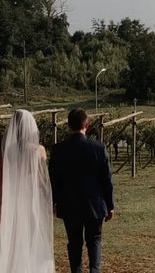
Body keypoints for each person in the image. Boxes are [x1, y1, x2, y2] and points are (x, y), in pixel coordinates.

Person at [49, 108, 115, 273]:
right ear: (87, 124)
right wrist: (110, 204)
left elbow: (54, 180)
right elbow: (106, 180)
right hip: (95, 205)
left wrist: (54, 202)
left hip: (69, 205)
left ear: (68, 126)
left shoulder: (58, 150)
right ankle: (95, 270)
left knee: (74, 243)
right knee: (94, 240)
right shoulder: (99, 148)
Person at [0, 109, 55, 272]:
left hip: (12, 200)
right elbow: (42, 181)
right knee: (32, 236)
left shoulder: (7, 151)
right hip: (31, 200)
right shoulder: (39, 150)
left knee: (14, 237)